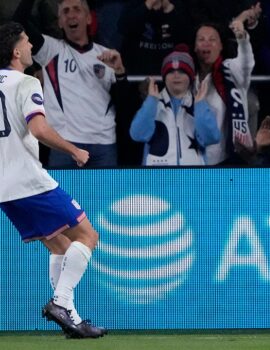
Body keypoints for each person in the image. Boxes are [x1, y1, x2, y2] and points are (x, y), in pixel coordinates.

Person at [0, 22, 106, 338]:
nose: (32, 47)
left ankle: (71, 318)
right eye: (27, 42)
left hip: (4, 187)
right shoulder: (26, 82)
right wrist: (74, 149)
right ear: (16, 51)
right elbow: (39, 129)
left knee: (59, 245)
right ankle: (61, 302)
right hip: (28, 179)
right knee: (87, 236)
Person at [14, 0, 127, 168]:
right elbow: (18, 21)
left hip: (103, 144)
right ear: (60, 22)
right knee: (64, 195)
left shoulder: (107, 55)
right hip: (64, 145)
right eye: (65, 12)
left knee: (103, 195)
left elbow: (124, 104)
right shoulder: (50, 50)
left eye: (77, 10)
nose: (71, 15)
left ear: (89, 18)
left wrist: (120, 72)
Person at [129, 45, 220, 165]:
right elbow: (137, 134)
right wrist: (151, 102)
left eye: (182, 71)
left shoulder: (198, 105)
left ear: (190, 77)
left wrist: (200, 106)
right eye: (171, 71)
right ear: (164, 77)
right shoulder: (152, 104)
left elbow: (211, 138)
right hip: (157, 180)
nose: (176, 75)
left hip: (193, 179)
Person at [193, 18, 255, 165]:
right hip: (192, 159)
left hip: (228, 158)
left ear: (221, 46)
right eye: (201, 39)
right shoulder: (186, 76)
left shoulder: (232, 70)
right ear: (195, 47)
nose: (206, 43)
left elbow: (246, 62)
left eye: (212, 39)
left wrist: (242, 39)